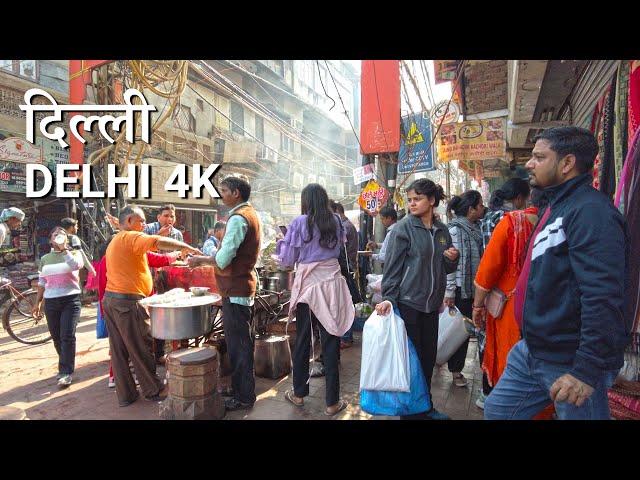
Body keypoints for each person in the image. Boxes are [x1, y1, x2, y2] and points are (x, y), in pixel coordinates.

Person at [484, 126, 629, 420]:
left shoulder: (591, 212)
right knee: (498, 411)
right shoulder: (558, 206)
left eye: (539, 157)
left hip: (569, 358)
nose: (529, 163)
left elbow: (603, 294)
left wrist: (586, 370)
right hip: (534, 351)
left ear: (566, 164)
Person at [376, 179, 459, 420]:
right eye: (410, 199)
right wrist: (390, 298)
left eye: (417, 199)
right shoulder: (403, 229)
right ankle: (411, 414)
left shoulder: (442, 231)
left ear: (431, 201)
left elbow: (445, 267)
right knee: (411, 364)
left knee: (427, 360)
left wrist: (452, 258)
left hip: (432, 306)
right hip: (409, 304)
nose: (412, 203)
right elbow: (392, 268)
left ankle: (425, 407)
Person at [103, 205, 201, 407]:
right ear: (129, 221)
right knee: (140, 347)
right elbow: (158, 242)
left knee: (120, 351)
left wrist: (175, 253)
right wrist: (186, 247)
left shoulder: (117, 240)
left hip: (113, 301)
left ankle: (126, 395)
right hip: (127, 302)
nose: (144, 225)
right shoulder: (130, 236)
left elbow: (154, 255)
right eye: (141, 221)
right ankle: (153, 390)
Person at [472, 189, 554, 415]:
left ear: (527, 199)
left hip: (512, 309)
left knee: (512, 367)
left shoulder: (512, 222)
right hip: (551, 308)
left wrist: (478, 306)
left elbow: (488, 269)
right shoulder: (563, 221)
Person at [277, 184, 354, 416]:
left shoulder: (300, 222)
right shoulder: (336, 222)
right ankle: (332, 403)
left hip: (308, 289)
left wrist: (283, 243)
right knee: (330, 342)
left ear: (305, 201)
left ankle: (299, 394)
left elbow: (287, 261)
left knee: (303, 341)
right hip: (332, 286)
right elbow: (339, 250)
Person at [188, 177, 262, 411]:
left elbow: (222, 258)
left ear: (236, 193)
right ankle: (242, 389)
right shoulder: (250, 214)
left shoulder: (239, 218)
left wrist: (200, 260)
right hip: (240, 287)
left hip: (236, 290)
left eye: (224, 191)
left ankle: (244, 397)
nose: (221, 195)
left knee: (239, 345)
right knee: (241, 344)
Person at [32, 228, 84, 388]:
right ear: (50, 240)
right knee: (56, 337)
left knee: (67, 335)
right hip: (51, 301)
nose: (58, 237)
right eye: (55, 235)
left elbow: (76, 266)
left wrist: (64, 250)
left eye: (62, 235)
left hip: (71, 300)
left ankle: (65, 372)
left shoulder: (74, 254)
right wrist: (38, 302)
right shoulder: (45, 258)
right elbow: (42, 282)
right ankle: (66, 362)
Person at [444, 190, 485, 388]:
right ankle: (455, 371)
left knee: (464, 330)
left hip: (472, 287)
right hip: (461, 288)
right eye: (480, 205)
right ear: (471, 210)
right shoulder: (455, 230)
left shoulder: (475, 228)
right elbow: (453, 263)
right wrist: (450, 291)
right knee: (460, 331)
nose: (483, 208)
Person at [330, 200, 361, 349]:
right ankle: (346, 336)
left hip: (344, 270)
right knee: (345, 303)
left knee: (344, 305)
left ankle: (346, 337)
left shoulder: (345, 227)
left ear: (336, 211)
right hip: (346, 268)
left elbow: (339, 251)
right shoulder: (346, 225)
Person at [480, 178, 530, 250]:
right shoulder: (509, 218)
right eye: (526, 201)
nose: (527, 205)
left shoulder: (489, 215)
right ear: (519, 198)